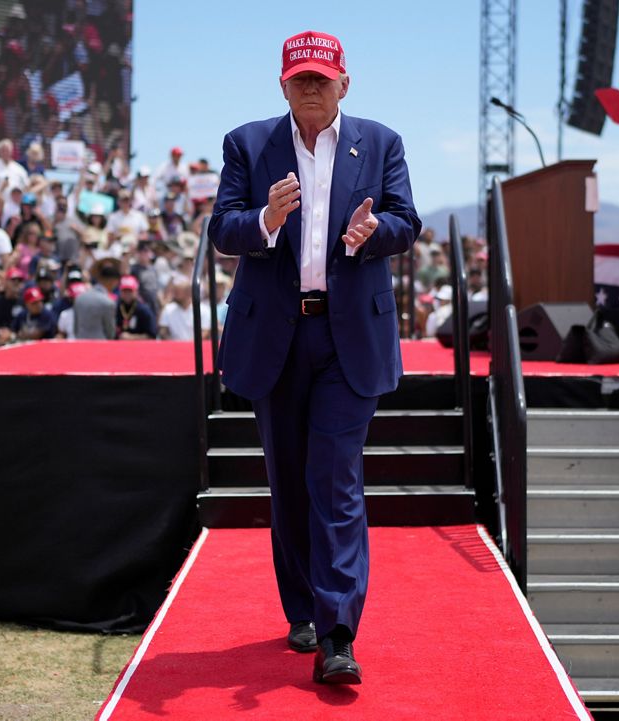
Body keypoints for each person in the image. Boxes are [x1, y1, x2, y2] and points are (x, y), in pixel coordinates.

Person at [208, 30, 420, 685]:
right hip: (275, 335)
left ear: (344, 83)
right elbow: (223, 229)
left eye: (321, 78)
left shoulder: (381, 143)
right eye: (299, 77)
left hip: (347, 338)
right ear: (282, 84)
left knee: (335, 481)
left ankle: (336, 632)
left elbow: (406, 223)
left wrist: (373, 232)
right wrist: (265, 220)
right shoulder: (247, 144)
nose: (310, 86)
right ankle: (300, 609)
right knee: (290, 481)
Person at [74, 258, 120, 340]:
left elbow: (75, 328)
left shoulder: (79, 298)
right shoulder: (108, 303)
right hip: (100, 347)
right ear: (114, 281)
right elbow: (110, 333)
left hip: (80, 344)